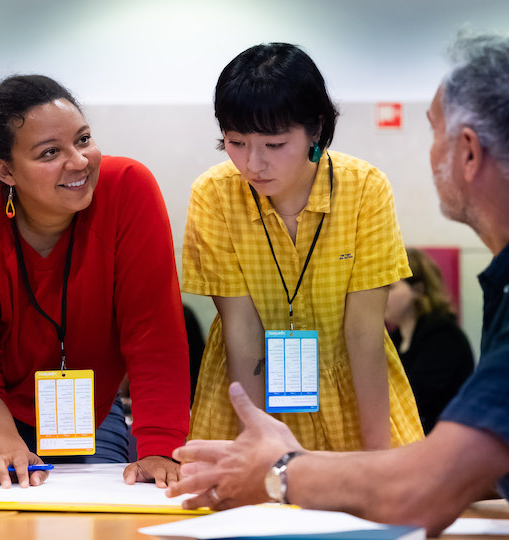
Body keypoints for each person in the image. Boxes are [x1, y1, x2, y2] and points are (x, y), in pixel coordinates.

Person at [167, 33, 509, 538]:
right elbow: (500, 463)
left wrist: (279, 471)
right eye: (237, 142)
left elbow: (430, 486)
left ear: (467, 153)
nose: (252, 161)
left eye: (433, 130)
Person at [0, 75, 190, 490]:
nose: (79, 161)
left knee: (99, 504)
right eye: (50, 152)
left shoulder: (129, 190)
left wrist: (160, 446)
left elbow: (154, 333)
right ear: (5, 170)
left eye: (84, 139)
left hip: (78, 384)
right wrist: (9, 447)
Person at [181, 43, 423, 452]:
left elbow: (364, 333)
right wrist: (257, 444)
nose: (253, 164)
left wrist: (378, 458)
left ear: (317, 128)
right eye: (236, 143)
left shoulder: (364, 188)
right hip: (247, 395)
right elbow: (242, 333)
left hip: (354, 392)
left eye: (274, 145)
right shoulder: (214, 195)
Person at [385, 247, 473, 433]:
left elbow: (416, 399)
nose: (381, 297)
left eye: (390, 287)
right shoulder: (395, 339)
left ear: (417, 290)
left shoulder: (443, 336)